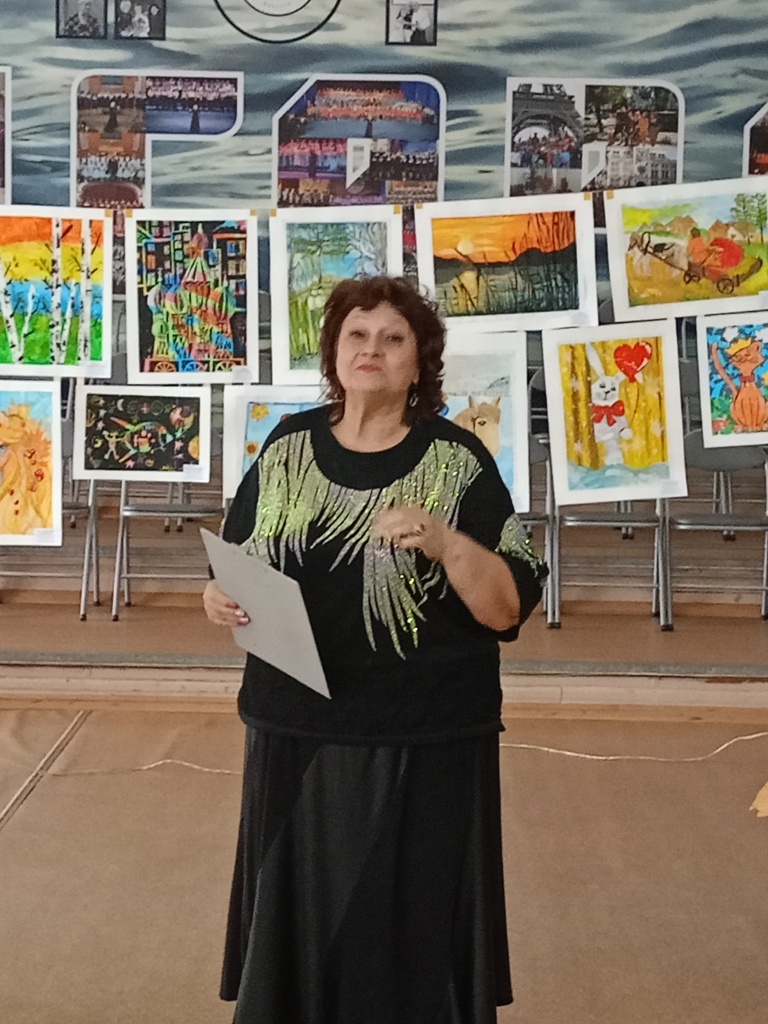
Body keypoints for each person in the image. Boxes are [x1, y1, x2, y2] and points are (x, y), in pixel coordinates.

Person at [203, 275, 546, 1023]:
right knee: (300, 927)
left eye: (393, 339)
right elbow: (236, 563)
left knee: (411, 932)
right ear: (333, 352)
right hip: (294, 725)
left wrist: (446, 542)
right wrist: (216, 598)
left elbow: (507, 608)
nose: (372, 350)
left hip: (424, 733)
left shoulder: (459, 461)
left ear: (420, 363)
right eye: (356, 336)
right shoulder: (287, 446)